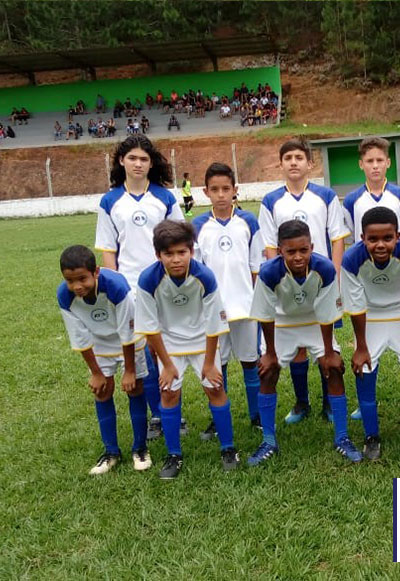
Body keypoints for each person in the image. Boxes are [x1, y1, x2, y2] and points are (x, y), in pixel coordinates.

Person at [95, 135, 184, 438]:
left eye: (144, 159)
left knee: (165, 350)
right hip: (130, 289)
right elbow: (108, 249)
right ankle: (157, 415)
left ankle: (173, 412)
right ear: (121, 161)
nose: (138, 164)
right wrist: (114, 287)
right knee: (142, 353)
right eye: (132, 158)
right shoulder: (110, 201)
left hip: (163, 284)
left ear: (151, 163)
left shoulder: (164, 198)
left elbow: (180, 240)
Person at [136, 220, 239, 479]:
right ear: (158, 255)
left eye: (182, 252)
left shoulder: (204, 276)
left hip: (203, 341)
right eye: (168, 254)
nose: (176, 259)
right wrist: (167, 365)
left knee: (215, 388)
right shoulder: (148, 280)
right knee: (169, 394)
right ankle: (174, 454)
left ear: (191, 251)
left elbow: (214, 323)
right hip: (169, 344)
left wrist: (209, 364)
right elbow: (150, 327)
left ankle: (228, 448)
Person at [248, 220, 356, 466]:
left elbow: (327, 313)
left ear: (312, 247)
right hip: (282, 323)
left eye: (303, 250)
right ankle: (268, 440)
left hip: (315, 322)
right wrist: (270, 353)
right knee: (268, 372)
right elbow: (265, 315)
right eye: (291, 251)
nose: (298, 256)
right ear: (280, 250)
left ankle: (342, 437)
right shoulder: (268, 272)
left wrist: (328, 352)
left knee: (334, 369)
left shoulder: (324, 268)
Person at [258, 138, 351, 424]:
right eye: (288, 158)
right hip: (288, 283)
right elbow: (270, 246)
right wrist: (279, 279)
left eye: (299, 157)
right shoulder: (271, 201)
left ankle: (328, 403)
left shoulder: (325, 196)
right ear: (281, 164)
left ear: (310, 163)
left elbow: (337, 238)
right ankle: (301, 402)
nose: (294, 162)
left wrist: (335, 277)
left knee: (324, 343)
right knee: (296, 347)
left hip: (320, 282)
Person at [341, 207, 400, 462]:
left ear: (398, 236)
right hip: (370, 316)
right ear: (362, 238)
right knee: (364, 369)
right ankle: (371, 437)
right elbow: (356, 306)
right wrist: (360, 346)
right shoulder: (351, 259)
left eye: (387, 238)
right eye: (373, 239)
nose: (380, 245)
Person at [57, 245, 152, 474]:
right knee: (102, 391)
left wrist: (129, 371)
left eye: (82, 279)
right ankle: (111, 452)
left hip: (129, 337)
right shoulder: (65, 296)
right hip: (99, 341)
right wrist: (97, 373)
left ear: (96, 272)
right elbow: (80, 338)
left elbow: (127, 333)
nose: (77, 286)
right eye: (70, 281)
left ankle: (140, 448)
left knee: (135, 388)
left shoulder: (117, 288)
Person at [192, 162, 264, 433]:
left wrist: (258, 303)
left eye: (226, 189)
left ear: (235, 190)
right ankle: (218, 417)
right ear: (205, 192)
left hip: (245, 307)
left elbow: (256, 267)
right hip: (213, 310)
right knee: (216, 365)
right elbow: (195, 272)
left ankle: (256, 416)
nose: (221, 195)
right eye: (215, 189)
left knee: (250, 361)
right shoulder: (198, 226)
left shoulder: (248, 221)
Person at [342, 137, 400, 245]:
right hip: (365, 256)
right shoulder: (350, 200)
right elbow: (350, 239)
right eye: (370, 161)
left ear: (388, 162)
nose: (375, 166)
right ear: (361, 164)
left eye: (379, 160)